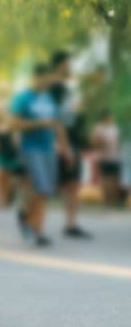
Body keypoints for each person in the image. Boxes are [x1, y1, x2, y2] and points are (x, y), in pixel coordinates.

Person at [10, 63, 73, 248]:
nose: (48, 82)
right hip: (31, 149)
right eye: (46, 79)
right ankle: (34, 229)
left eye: (50, 79)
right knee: (40, 189)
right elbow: (14, 124)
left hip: (49, 149)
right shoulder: (23, 98)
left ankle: (30, 222)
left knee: (45, 191)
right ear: (37, 77)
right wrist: (39, 124)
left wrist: (65, 147)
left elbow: (57, 123)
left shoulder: (49, 98)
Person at [49, 50, 91, 238]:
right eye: (67, 63)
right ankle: (29, 218)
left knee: (73, 182)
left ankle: (71, 224)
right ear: (60, 65)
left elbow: (74, 115)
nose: (70, 67)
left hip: (72, 138)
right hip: (58, 140)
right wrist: (60, 143)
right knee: (53, 183)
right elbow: (54, 118)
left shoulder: (67, 88)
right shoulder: (52, 88)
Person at [91, 110, 123, 207]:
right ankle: (106, 200)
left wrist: (118, 148)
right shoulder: (99, 128)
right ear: (105, 118)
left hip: (115, 157)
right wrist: (103, 143)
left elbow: (118, 141)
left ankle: (113, 200)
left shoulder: (115, 129)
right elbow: (95, 141)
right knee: (106, 179)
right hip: (104, 157)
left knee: (114, 179)